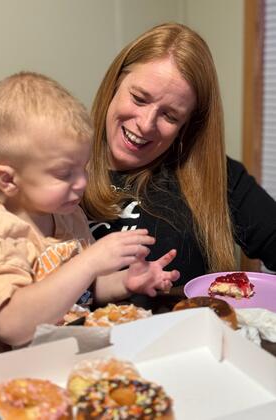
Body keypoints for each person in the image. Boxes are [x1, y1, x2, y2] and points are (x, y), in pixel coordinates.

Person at [0, 71, 179, 351]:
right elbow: (12, 327)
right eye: (65, 173)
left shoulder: (66, 212)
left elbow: (84, 290)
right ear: (8, 180)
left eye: (83, 167)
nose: (82, 183)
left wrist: (126, 281)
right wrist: (89, 262)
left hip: (71, 351)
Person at [82, 22, 276, 311]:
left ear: (186, 127)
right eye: (139, 98)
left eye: (170, 116)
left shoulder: (217, 179)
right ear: (115, 84)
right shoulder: (53, 166)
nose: (146, 125)